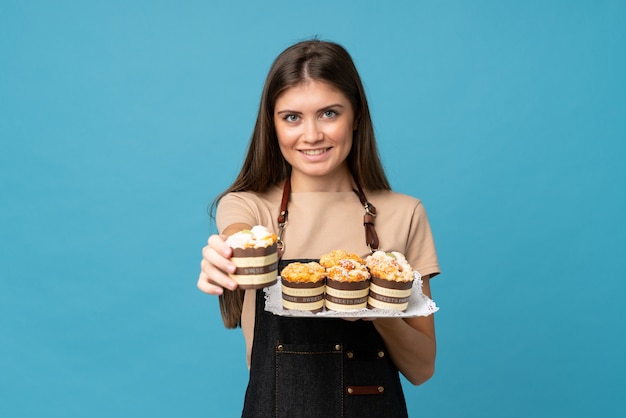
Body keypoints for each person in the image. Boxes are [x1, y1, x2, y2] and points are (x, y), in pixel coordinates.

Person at [198, 39, 440, 417]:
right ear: (272, 124)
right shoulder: (251, 207)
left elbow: (423, 368)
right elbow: (239, 235)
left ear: (356, 115)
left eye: (329, 113)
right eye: (292, 117)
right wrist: (226, 256)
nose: (311, 135)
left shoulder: (404, 213)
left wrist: (376, 311)